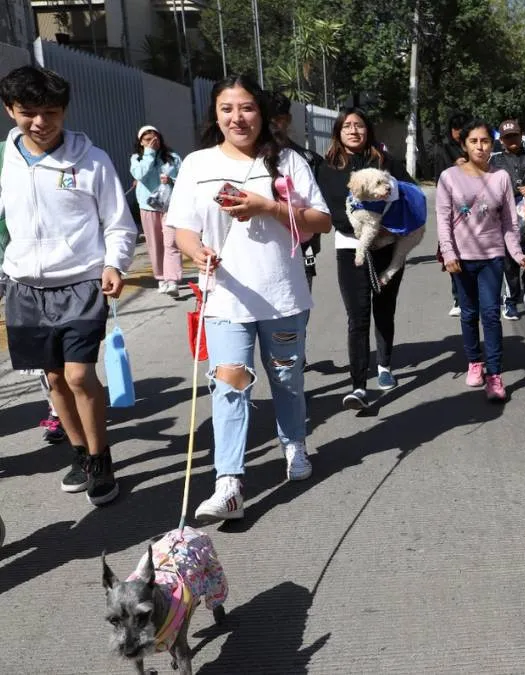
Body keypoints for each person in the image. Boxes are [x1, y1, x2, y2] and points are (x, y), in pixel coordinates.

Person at [167, 74, 332, 522]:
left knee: (286, 380)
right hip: (224, 298)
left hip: (281, 296)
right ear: (215, 115)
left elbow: (321, 221)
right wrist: (195, 249)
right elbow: (181, 227)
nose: (237, 118)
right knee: (229, 386)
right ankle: (229, 483)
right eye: (227, 109)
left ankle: (294, 444)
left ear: (261, 114)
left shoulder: (289, 162)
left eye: (246, 108)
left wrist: (269, 207)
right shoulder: (197, 165)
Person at [0, 65, 137, 506]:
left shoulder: (91, 160)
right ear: (10, 111)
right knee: (54, 378)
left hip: (80, 281)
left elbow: (118, 223)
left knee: (79, 375)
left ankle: (100, 459)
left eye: (51, 112)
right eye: (28, 112)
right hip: (23, 286)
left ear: (65, 112)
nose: (40, 122)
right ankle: (79, 452)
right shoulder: (6, 161)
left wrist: (114, 264)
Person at [315, 107, 415, 410]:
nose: (353, 131)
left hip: (386, 243)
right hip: (349, 247)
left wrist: (390, 226)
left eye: (359, 125)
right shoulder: (327, 167)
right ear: (338, 131)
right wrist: (350, 227)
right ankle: (358, 385)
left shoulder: (385, 162)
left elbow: (409, 192)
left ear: (367, 130)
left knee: (384, 309)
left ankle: (384, 366)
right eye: (347, 126)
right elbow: (326, 207)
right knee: (357, 317)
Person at [437, 119, 525, 402]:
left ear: (493, 144)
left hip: (492, 257)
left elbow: (509, 223)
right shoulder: (449, 177)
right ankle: (474, 361)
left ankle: (494, 374)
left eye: (485, 141)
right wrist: (449, 253)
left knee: (490, 314)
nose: (480, 146)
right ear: (465, 144)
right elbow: (443, 219)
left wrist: (517, 253)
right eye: (474, 141)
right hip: (462, 259)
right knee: (468, 313)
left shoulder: (500, 177)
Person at [269, 92, 323, 290]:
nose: (272, 124)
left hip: (300, 249)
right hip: (259, 251)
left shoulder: (309, 160)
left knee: (299, 314)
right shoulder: (244, 160)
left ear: (288, 120)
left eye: (278, 119)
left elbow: (322, 213)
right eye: (267, 118)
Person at [489, 119, 525, 320]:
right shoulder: (494, 161)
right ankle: (510, 302)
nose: (512, 140)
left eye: (515, 136)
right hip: (505, 220)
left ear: (521, 136)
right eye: (507, 137)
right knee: (509, 264)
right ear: (501, 139)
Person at [129, 125, 183, 297]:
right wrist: (149, 154)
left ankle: (172, 279)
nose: (153, 142)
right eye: (147, 140)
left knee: (171, 241)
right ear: (140, 143)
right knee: (155, 243)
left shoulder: (172, 157)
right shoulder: (137, 159)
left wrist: (171, 179)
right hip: (148, 206)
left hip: (170, 205)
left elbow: (184, 179)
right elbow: (139, 174)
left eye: (156, 139)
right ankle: (161, 277)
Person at [434, 113, 470, 317]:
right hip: (450, 205)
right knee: (451, 252)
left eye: (461, 128)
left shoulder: (472, 146)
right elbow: (440, 178)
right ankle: (457, 297)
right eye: (455, 129)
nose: (458, 133)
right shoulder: (444, 148)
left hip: (474, 207)